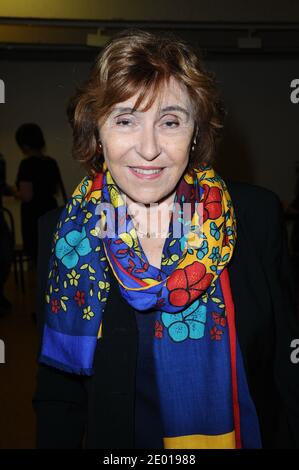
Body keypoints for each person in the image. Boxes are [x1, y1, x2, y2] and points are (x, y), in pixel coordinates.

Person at [33, 29, 299, 449]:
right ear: (97, 132)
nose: (149, 148)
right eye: (125, 120)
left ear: (196, 133)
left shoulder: (256, 216)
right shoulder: (61, 234)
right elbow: (58, 396)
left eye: (171, 121)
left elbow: (287, 367)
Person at [15, 123, 67, 261]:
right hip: (50, 209)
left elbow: (27, 196)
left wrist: (13, 192)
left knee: (37, 257)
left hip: (33, 215)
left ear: (24, 145)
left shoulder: (26, 165)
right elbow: (56, 190)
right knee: (51, 255)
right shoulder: (51, 162)